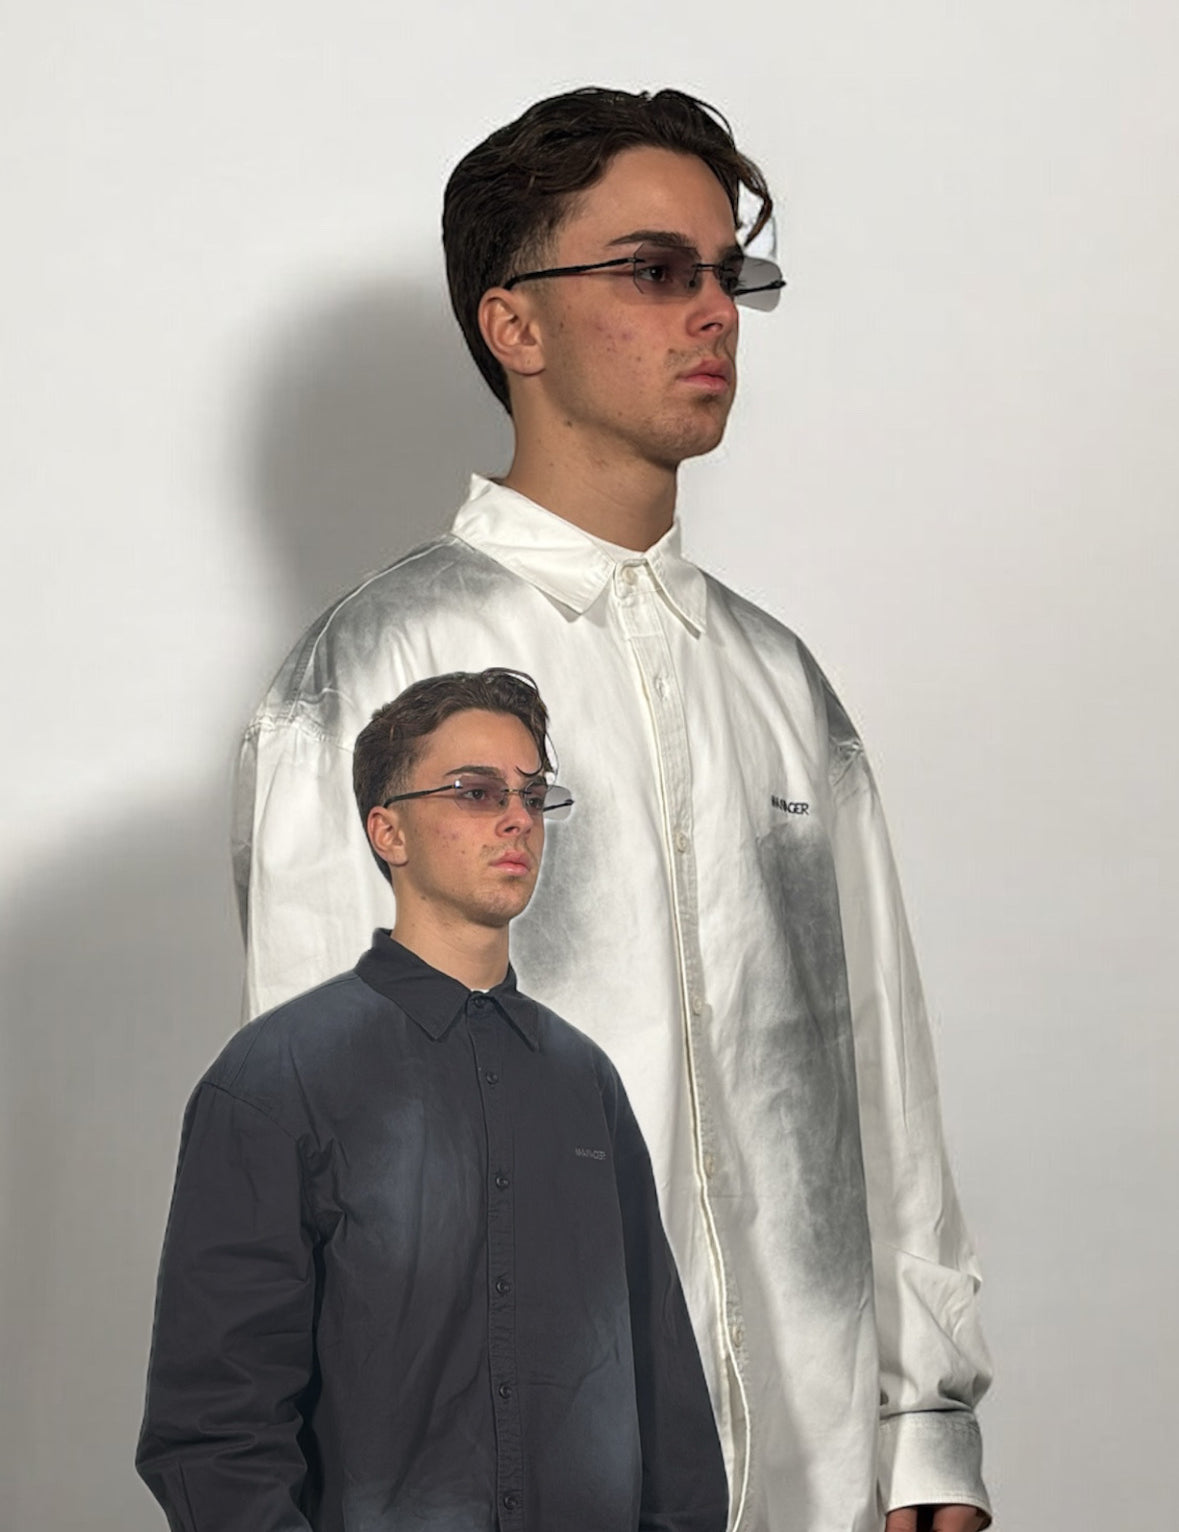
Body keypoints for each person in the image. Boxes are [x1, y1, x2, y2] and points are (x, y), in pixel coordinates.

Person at [233, 88, 993, 1532]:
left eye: (727, 274)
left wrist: (925, 1433)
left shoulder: (779, 684)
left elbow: (877, 1077)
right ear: (513, 324)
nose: (711, 313)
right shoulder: (368, 674)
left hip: (810, 1480)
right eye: (653, 270)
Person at [138, 668, 728, 1532]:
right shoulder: (277, 1076)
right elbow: (214, 1424)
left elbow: (664, 1393)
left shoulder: (583, 1082)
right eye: (476, 792)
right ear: (389, 830)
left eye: (531, 795)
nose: (516, 818)